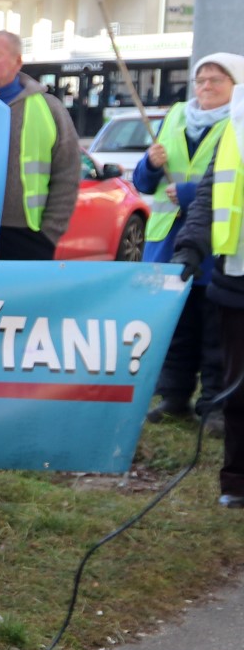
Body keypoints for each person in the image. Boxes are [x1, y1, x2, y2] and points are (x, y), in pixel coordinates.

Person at [130, 55, 243, 424]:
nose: (206, 86)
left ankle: (214, 405)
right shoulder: (175, 117)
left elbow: (226, 183)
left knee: (214, 332)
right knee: (175, 327)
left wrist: (191, 193)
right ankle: (174, 396)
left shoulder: (237, 122)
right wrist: (150, 163)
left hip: (215, 244)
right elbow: (142, 183)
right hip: (168, 243)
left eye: (216, 80)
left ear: (236, 86)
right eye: (200, 79)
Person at [167, 73, 244, 506]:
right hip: (235, 278)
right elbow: (210, 197)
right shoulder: (237, 122)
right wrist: (189, 249)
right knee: (237, 391)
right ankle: (237, 483)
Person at [0, 31, 80, 261]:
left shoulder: (48, 108)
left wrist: (50, 233)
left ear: (18, 62)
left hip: (27, 236)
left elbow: (67, 171)